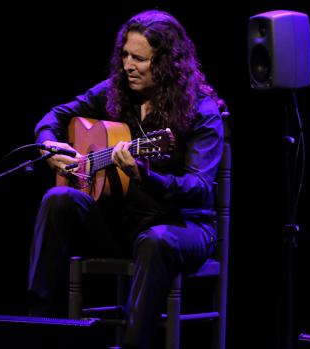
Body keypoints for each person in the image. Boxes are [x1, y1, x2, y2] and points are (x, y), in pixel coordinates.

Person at [27, 9, 225, 349]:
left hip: (182, 226)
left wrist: (145, 177)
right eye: (125, 56)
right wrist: (49, 145)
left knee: (156, 241)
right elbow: (56, 115)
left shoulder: (202, 113)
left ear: (167, 63)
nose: (127, 66)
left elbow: (200, 190)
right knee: (58, 198)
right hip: (124, 223)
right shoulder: (116, 91)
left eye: (140, 59)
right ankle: (35, 323)